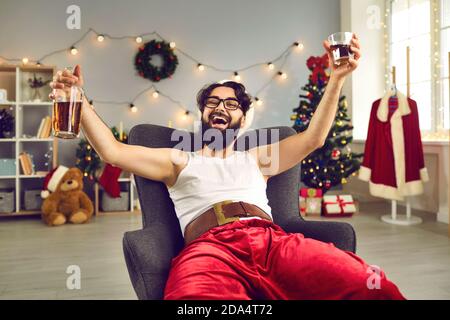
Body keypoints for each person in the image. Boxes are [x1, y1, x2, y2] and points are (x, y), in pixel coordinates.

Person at [50, 34, 406, 300]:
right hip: (209, 249)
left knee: (370, 284)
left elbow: (313, 139)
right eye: (213, 101)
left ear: (242, 118)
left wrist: (338, 78)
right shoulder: (178, 159)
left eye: (231, 103)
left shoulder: (257, 158)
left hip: (273, 243)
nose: (221, 107)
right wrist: (79, 101)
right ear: (203, 114)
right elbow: (112, 151)